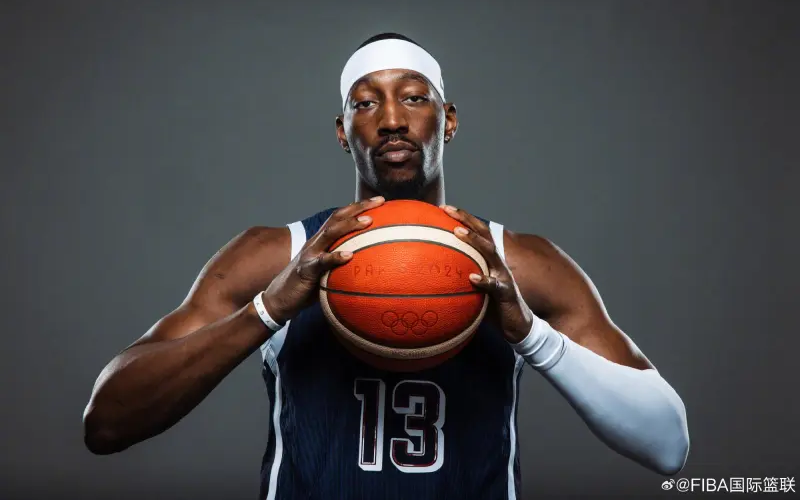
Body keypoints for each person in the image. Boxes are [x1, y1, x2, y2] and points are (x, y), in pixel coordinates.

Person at [83, 33, 690, 499]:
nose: (392, 119)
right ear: (342, 131)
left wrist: (531, 335)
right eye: (366, 102)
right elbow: (106, 423)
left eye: (414, 97)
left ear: (448, 120)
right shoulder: (277, 256)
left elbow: (668, 445)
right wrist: (267, 311)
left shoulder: (519, 264)